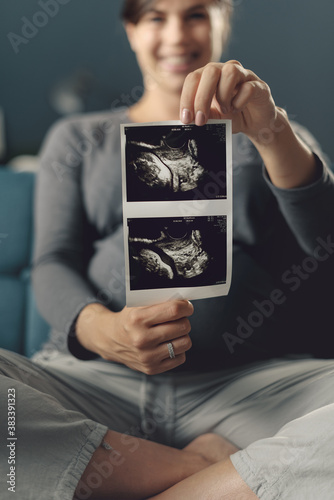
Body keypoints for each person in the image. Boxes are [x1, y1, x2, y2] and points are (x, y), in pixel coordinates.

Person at [1, 0, 334, 498]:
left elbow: (325, 244)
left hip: (253, 389)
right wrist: (100, 329)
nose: (177, 35)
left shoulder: (274, 137)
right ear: (132, 31)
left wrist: (272, 130)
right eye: (156, 16)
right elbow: (52, 260)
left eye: (196, 13)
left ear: (223, 23)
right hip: (94, 387)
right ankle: (204, 472)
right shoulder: (79, 138)